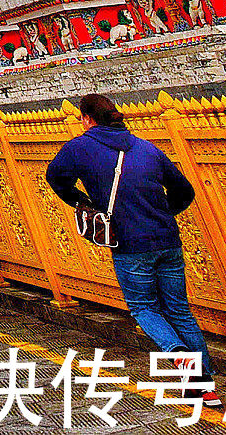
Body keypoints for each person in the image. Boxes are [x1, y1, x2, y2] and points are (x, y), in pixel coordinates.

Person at [46, 94, 206, 379]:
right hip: (168, 240)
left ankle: (176, 352)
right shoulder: (147, 148)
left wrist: (83, 202)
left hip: (129, 243)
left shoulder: (80, 147)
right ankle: (204, 385)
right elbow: (185, 191)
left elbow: (56, 177)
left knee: (144, 308)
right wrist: (163, 212)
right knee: (180, 311)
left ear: (86, 119)